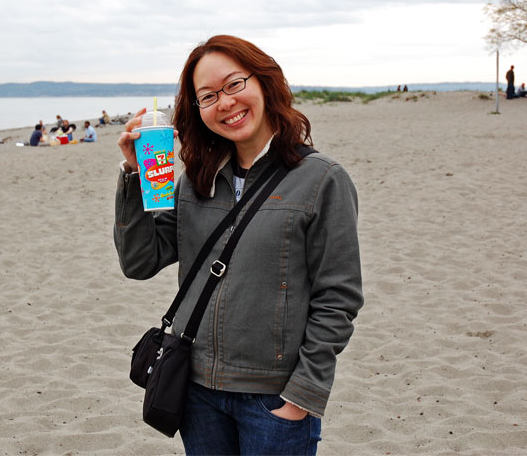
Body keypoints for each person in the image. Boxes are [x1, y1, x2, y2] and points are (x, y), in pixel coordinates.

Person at [114, 35, 363, 455]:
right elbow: (140, 261)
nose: (225, 103)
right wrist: (133, 175)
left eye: (234, 84)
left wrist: (302, 396)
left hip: (273, 398)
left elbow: (338, 297)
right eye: (208, 96)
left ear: (264, 82)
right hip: (197, 391)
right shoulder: (196, 181)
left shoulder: (321, 178)